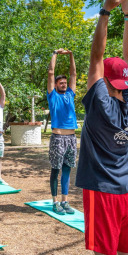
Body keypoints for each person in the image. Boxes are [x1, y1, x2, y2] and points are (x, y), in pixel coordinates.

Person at [75, 0, 128, 255]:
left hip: (102, 193)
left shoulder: (100, 102)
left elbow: (96, 56)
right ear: (125, 81)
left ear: (106, 80)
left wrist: (104, 13)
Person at [47, 48, 77, 215]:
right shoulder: (53, 96)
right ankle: (55, 201)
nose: (64, 84)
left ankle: (65, 201)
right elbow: (51, 72)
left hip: (72, 138)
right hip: (58, 138)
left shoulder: (70, 94)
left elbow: (73, 73)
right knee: (56, 170)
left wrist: (71, 54)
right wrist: (55, 54)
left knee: (67, 169)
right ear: (57, 85)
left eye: (65, 82)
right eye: (61, 83)